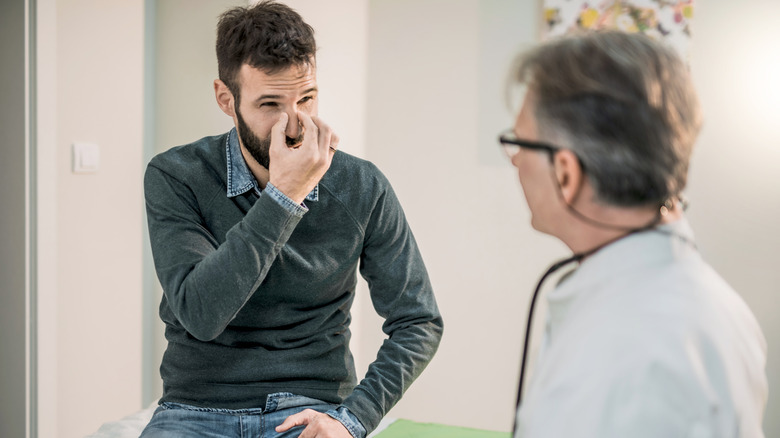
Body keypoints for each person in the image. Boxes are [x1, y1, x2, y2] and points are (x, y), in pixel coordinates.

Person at [141, 2, 443, 437]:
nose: (294, 122)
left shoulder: (361, 185)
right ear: (227, 100)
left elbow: (419, 320)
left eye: (306, 98)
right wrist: (284, 197)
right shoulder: (176, 176)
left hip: (312, 409)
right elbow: (201, 313)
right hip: (196, 408)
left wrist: (352, 420)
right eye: (269, 103)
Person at [500, 31, 767, 437]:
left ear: (566, 174)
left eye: (519, 142)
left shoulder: (627, 356)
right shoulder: (706, 302)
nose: (515, 160)